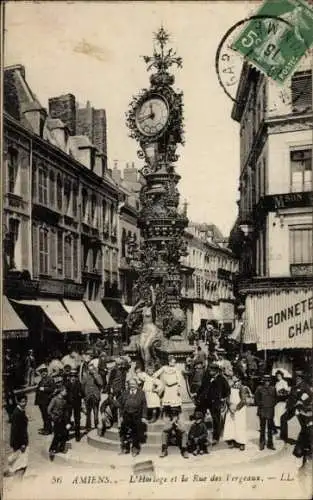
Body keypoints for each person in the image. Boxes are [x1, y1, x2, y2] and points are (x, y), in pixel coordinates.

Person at [196, 362, 230, 444]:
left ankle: (216, 438)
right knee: (201, 418)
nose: (210, 372)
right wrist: (198, 396)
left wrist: (222, 398)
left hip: (215, 402)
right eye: (209, 370)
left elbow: (227, 390)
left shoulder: (221, 379)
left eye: (212, 370)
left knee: (216, 420)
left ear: (216, 371)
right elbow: (202, 388)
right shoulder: (207, 377)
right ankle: (201, 436)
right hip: (205, 401)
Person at [118, 378, 147, 457]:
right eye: (131, 384)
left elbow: (144, 405)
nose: (132, 386)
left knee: (135, 433)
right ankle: (125, 448)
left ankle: (135, 449)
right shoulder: (125, 393)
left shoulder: (141, 393)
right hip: (126, 415)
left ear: (137, 385)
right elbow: (120, 405)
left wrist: (144, 416)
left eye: (134, 384)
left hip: (137, 415)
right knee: (124, 432)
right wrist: (120, 416)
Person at [280, 370, 307, 444]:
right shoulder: (295, 385)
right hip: (291, 407)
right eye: (296, 377)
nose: (297, 378)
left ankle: (305, 442)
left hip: (299, 408)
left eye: (299, 377)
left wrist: (301, 401)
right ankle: (283, 437)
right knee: (283, 418)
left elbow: (309, 395)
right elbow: (291, 395)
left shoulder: (304, 386)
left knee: (304, 425)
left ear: (301, 378)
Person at [223, 375, 249, 451]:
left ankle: (242, 443)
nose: (233, 378)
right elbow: (227, 397)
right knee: (231, 424)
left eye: (234, 377)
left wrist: (236, 408)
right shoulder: (230, 387)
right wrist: (230, 405)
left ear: (239, 378)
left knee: (240, 425)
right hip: (231, 408)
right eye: (233, 377)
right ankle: (232, 440)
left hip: (239, 409)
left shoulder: (242, 388)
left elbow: (243, 400)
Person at [6, 393, 29, 478]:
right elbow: (16, 431)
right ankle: (17, 482)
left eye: (25, 401)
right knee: (21, 464)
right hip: (19, 443)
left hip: (20, 442)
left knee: (20, 462)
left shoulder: (20, 411)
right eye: (22, 402)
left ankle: (12, 471)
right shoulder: (17, 413)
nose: (24, 403)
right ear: (18, 402)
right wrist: (22, 444)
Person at [48, 386, 70, 460]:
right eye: (65, 391)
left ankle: (61, 448)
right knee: (57, 435)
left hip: (63, 420)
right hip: (57, 420)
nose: (66, 392)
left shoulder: (64, 401)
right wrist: (53, 417)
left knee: (64, 434)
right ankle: (52, 449)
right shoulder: (54, 400)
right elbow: (49, 410)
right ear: (61, 391)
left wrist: (68, 422)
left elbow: (66, 413)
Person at [254, 374, 276, 451]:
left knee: (270, 429)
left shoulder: (273, 388)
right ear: (263, 381)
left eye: (268, 381)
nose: (267, 382)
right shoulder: (259, 388)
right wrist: (261, 404)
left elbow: (275, 398)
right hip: (262, 411)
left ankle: (270, 444)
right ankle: (262, 443)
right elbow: (256, 399)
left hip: (270, 410)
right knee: (262, 428)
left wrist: (271, 405)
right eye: (265, 381)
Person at [81, 363, 102, 431]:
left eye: (92, 369)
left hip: (95, 396)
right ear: (88, 370)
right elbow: (82, 386)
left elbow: (101, 383)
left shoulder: (98, 375)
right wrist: (84, 396)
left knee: (96, 412)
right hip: (88, 396)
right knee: (88, 412)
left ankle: (96, 425)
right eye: (90, 369)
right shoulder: (85, 376)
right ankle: (88, 426)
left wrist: (95, 375)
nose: (91, 370)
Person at [35, 366, 55, 435]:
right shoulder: (42, 380)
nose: (43, 373)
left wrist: (44, 389)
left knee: (46, 415)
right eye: (41, 372)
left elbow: (52, 388)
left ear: (46, 372)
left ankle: (48, 430)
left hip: (46, 400)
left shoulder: (50, 379)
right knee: (44, 415)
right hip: (41, 401)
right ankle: (45, 427)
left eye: (44, 372)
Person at [65, 368, 83, 442]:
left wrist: (80, 395)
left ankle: (77, 436)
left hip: (77, 404)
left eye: (74, 377)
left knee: (77, 420)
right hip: (68, 404)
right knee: (67, 419)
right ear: (69, 377)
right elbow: (63, 394)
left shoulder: (79, 384)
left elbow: (82, 394)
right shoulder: (66, 384)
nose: (73, 378)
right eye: (71, 376)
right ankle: (66, 435)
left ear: (76, 377)